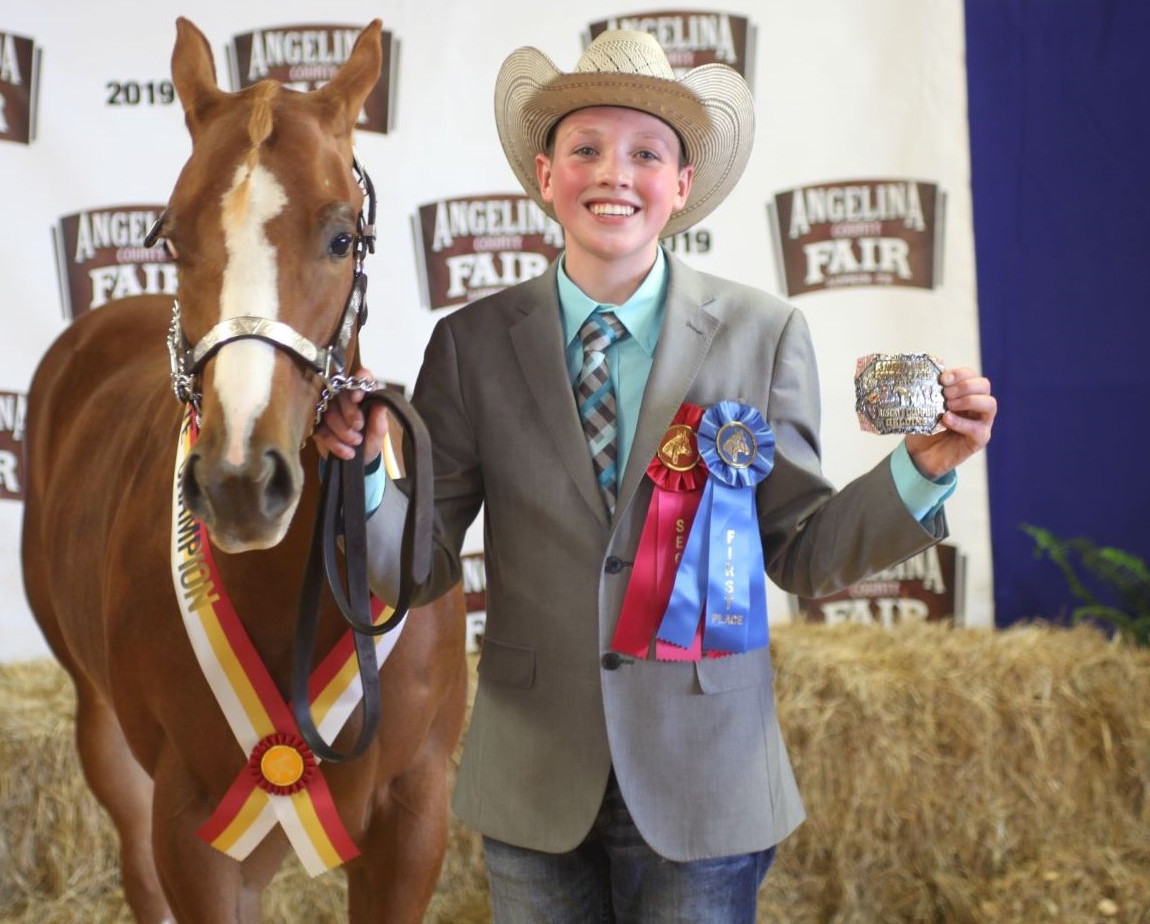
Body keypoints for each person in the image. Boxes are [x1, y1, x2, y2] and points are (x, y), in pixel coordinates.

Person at [314, 28, 996, 924]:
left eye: (645, 153)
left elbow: (800, 551)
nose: (613, 173)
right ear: (545, 173)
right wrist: (367, 477)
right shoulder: (470, 346)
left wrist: (918, 472)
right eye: (585, 149)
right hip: (534, 779)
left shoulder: (763, 333)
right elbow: (419, 564)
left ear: (679, 188)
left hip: (705, 777)